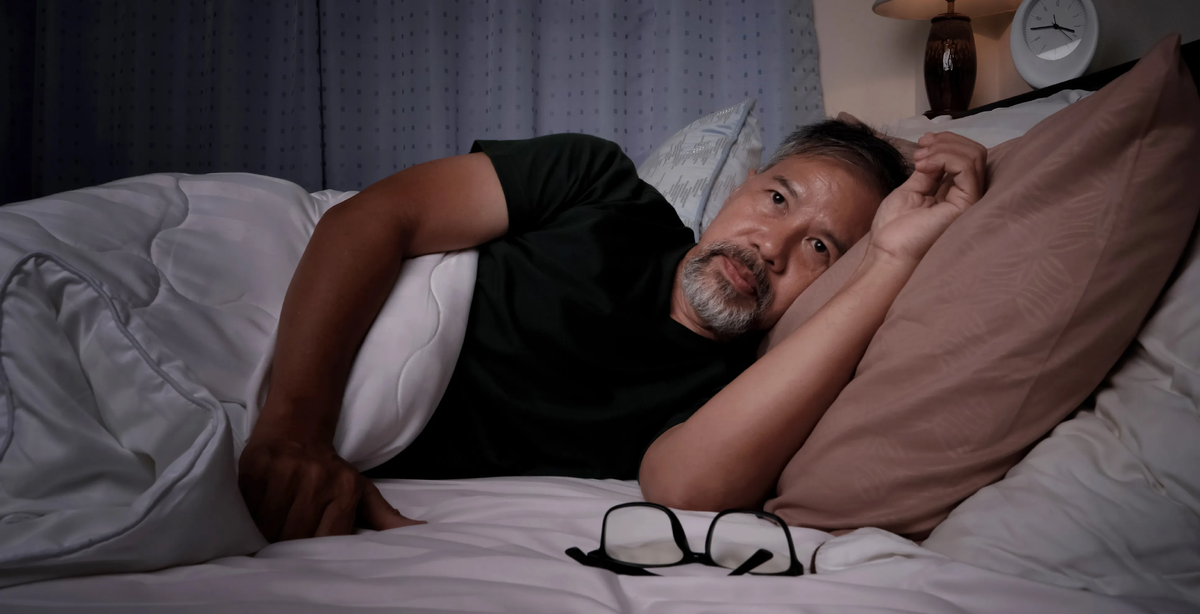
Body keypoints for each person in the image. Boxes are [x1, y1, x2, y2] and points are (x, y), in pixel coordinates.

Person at [237, 121, 986, 542]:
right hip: (277, 311)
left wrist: (891, 258)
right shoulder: (598, 185)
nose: (771, 246)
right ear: (738, 190)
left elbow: (682, 486)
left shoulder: (740, 395)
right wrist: (295, 428)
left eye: (820, 248)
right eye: (777, 199)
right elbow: (373, 218)